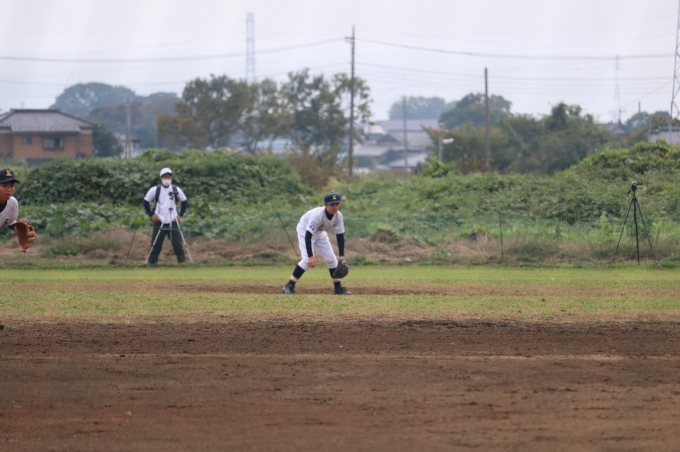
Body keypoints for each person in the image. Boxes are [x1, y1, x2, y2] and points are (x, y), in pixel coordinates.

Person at [282, 193, 351, 295]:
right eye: (332, 204)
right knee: (306, 260)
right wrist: (310, 256)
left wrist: (342, 256)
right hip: (305, 230)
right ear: (325, 205)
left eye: (337, 204)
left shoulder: (338, 216)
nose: (335, 207)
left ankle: (338, 288)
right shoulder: (318, 215)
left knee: (332, 259)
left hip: (320, 232)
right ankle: (289, 285)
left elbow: (340, 235)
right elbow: (308, 235)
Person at [143, 167, 188, 264]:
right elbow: (145, 202)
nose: (167, 179)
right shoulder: (155, 190)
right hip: (159, 220)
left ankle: (182, 263)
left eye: (168, 177)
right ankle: (151, 262)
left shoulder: (176, 189)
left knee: (177, 244)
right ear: (161, 178)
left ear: (171, 178)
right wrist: (151, 215)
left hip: (173, 220)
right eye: (165, 177)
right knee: (156, 244)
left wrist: (180, 215)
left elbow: (184, 201)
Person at [0, 169, 22, 329]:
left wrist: (22, 231)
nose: (9, 190)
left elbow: (10, 222)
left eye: (12, 185)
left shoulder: (12, 203)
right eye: (4, 185)